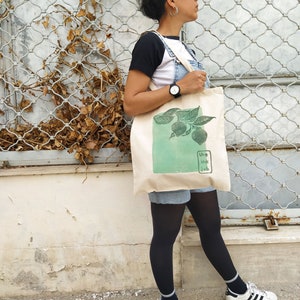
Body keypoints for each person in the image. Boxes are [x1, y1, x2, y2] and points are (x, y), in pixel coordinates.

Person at [124, 1, 278, 300]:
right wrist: (177, 88)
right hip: (168, 152)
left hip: (193, 148)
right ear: (171, 3)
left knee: (210, 226)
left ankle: (238, 290)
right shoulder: (149, 44)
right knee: (166, 235)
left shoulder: (181, 46)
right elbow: (131, 103)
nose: (197, 1)